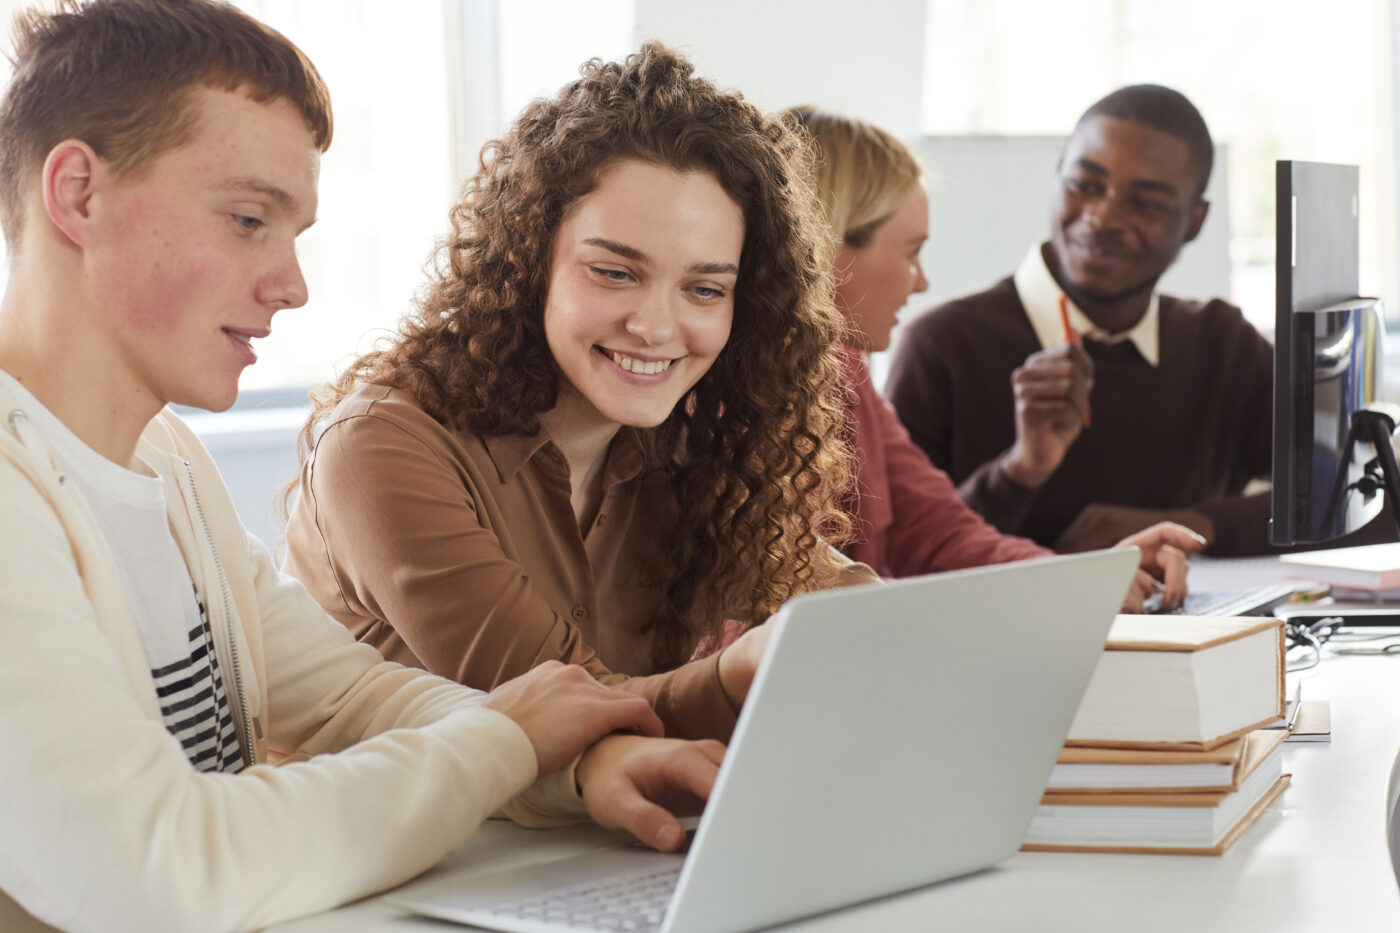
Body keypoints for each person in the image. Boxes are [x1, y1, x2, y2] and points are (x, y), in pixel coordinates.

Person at [0, 3, 724, 931]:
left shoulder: (165, 463)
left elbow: (348, 698)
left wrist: (574, 765)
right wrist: (506, 742)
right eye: (248, 219)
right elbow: (152, 868)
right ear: (77, 194)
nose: (291, 283)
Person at [280, 43, 875, 744]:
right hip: (405, 849)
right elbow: (574, 714)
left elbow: (854, 611)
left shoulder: (686, 449)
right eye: (615, 273)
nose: (656, 326)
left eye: (704, 289)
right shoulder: (380, 446)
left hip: (594, 851)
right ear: (533, 261)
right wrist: (740, 672)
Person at [785, 107, 1201, 610]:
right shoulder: (740, 399)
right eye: (911, 251)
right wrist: (1065, 587)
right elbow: (803, 603)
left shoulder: (847, 373)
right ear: (826, 249)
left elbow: (941, 533)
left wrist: (1087, 579)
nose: (921, 282)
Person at [886, 85, 1278, 556]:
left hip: (1190, 628)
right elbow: (896, 556)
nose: (1103, 217)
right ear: (1057, 178)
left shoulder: (1223, 345)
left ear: (1195, 222)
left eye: (1147, 203)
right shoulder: (943, 346)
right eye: (1084, 186)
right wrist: (1017, 472)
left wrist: (1184, 527)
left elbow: (1364, 502)